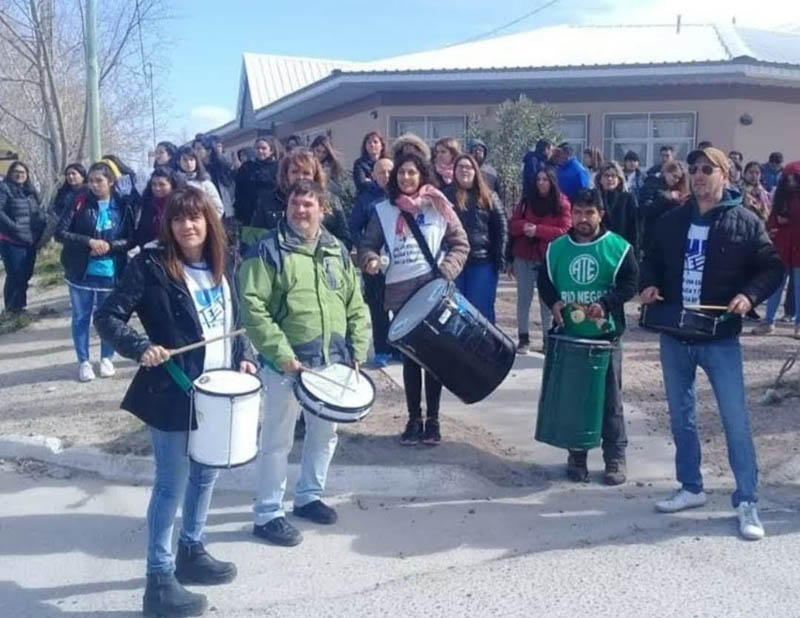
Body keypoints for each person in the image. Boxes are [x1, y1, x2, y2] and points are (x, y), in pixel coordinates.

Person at [95, 186, 254, 618]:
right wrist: (140, 346)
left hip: (217, 391)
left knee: (205, 475)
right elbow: (106, 316)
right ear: (169, 225)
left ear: (208, 222)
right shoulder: (149, 267)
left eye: (195, 217)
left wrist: (245, 359)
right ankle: (159, 580)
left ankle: (191, 550)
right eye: (178, 218)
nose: (187, 225)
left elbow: (235, 321)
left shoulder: (226, 263)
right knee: (171, 484)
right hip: (171, 389)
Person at [640, 146, 782, 541]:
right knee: (680, 417)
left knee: (735, 420)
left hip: (719, 337)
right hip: (675, 335)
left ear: (725, 175)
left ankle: (746, 500)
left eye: (707, 169)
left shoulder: (745, 221)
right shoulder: (671, 221)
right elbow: (650, 260)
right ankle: (691, 487)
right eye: (693, 169)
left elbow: (773, 267)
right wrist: (648, 283)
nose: (698, 175)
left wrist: (749, 297)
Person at [238, 179, 369, 547]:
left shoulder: (336, 249)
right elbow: (252, 305)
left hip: (331, 365)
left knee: (325, 435)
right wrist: (281, 354)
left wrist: (359, 347)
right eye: (295, 204)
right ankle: (267, 513)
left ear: (322, 209)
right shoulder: (267, 250)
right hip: (286, 366)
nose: (301, 211)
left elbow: (355, 303)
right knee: (276, 440)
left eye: (308, 204)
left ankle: (308, 495)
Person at [359, 153, 468, 445]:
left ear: (422, 175)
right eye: (401, 174)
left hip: (433, 292)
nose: (405, 178)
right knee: (410, 359)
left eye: (411, 173)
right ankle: (413, 418)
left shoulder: (439, 206)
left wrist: (447, 271)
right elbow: (368, 245)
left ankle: (433, 420)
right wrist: (370, 259)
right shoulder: (383, 210)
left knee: (434, 359)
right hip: (402, 294)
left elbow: (460, 243)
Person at [538, 188, 638, 485]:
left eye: (589, 213)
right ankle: (577, 455)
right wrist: (553, 301)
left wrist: (606, 303)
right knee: (574, 399)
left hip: (605, 339)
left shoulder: (617, 248)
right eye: (578, 212)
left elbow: (630, 282)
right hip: (570, 338)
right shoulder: (556, 248)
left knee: (610, 400)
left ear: (601, 214)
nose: (583, 218)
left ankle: (615, 457)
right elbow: (545, 281)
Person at [55, 161, 134, 382]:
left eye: (99, 180)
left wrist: (111, 245)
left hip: (111, 272)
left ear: (110, 182)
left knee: (107, 317)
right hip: (81, 272)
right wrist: (88, 241)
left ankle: (107, 358)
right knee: (81, 317)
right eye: (91, 181)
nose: (94, 185)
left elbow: (130, 238)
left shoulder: (122, 205)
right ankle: (84, 362)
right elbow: (60, 233)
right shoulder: (79, 201)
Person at [509, 167, 571, 353]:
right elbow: (512, 225)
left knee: (547, 301)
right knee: (524, 299)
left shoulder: (561, 203)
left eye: (545, 179)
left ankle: (547, 338)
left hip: (548, 259)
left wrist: (539, 230)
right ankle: (523, 338)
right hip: (524, 255)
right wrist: (525, 227)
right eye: (539, 179)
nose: (541, 183)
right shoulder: (527, 202)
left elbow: (565, 230)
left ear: (552, 182)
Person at [246, 147, 351, 250]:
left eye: (306, 173)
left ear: (314, 176)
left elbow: (345, 240)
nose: (300, 177)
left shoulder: (330, 201)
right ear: (286, 174)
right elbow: (252, 240)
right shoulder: (268, 201)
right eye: (295, 172)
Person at [445, 153, 507, 323]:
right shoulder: (445, 196)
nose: (464, 170)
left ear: (475, 171)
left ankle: (487, 349)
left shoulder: (489, 196)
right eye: (460, 167)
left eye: (468, 167)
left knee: (481, 311)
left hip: (482, 262)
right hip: (453, 263)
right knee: (455, 311)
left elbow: (501, 229)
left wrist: (501, 258)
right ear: (454, 171)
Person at [349, 157, 394, 367]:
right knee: (378, 308)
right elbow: (354, 227)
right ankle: (382, 349)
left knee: (400, 306)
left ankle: (398, 347)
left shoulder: (401, 197)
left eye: (388, 172)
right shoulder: (365, 199)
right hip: (374, 262)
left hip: (399, 261)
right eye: (381, 172)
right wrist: (365, 250)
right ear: (373, 175)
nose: (385, 176)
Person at [752, 161, 800, 336]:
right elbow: (771, 219)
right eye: (788, 179)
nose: (791, 183)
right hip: (782, 246)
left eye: (795, 179)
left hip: (798, 248)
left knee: (799, 288)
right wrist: (776, 223)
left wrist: (791, 221)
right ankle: (768, 321)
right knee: (775, 286)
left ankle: (798, 325)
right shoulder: (780, 196)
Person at [0, 161, 44, 314]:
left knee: (26, 273)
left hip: (29, 239)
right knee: (15, 274)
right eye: (16, 172)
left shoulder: (30, 191)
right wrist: (14, 227)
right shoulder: (4, 188)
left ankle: (21, 306)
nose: (19, 175)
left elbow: (38, 212)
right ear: (10, 173)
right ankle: (12, 309)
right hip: (11, 240)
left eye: (23, 172)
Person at [641, 161, 690, 255]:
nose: (676, 180)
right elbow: (646, 209)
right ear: (666, 172)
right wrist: (668, 198)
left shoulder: (676, 188)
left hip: (670, 235)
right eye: (674, 176)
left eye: (679, 178)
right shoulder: (652, 183)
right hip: (652, 236)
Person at [595, 161, 640, 258]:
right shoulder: (594, 197)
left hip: (621, 248)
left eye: (614, 176)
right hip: (598, 248)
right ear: (600, 179)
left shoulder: (628, 198)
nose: (610, 179)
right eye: (606, 176)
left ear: (619, 179)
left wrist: (634, 252)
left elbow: (634, 228)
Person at [234, 137, 280, 226]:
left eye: (263, 148)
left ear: (271, 150)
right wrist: (239, 213)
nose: (260, 151)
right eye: (257, 148)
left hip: (273, 212)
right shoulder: (246, 167)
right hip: (250, 214)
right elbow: (239, 192)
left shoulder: (278, 167)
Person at [134, 167, 183, 248]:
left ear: (172, 185)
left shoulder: (179, 205)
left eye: (162, 184)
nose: (157, 188)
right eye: (154, 184)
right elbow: (141, 232)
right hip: (150, 251)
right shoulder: (147, 205)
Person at [193, 136, 235, 219]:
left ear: (208, 151)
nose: (195, 152)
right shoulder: (194, 170)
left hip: (224, 209)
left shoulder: (221, 166)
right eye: (194, 149)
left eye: (199, 149)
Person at [176, 146, 224, 218]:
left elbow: (218, 208)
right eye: (185, 160)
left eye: (191, 159)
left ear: (196, 161)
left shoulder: (205, 183)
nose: (189, 163)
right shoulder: (175, 182)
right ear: (178, 162)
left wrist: (207, 223)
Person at [310, 134, 347, 201]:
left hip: (327, 201)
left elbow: (340, 190)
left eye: (324, 152)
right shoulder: (307, 164)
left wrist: (326, 180)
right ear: (312, 149)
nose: (320, 155)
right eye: (318, 151)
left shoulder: (331, 166)